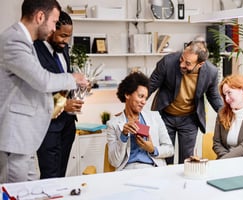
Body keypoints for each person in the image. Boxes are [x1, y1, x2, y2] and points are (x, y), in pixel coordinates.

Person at [0, 0, 88, 183]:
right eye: (54, 22)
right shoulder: (14, 40)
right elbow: (42, 80)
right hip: (15, 135)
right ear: (40, 17)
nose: (54, 27)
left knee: (34, 188)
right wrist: (74, 78)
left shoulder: (26, 41)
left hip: (27, 136)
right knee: (16, 191)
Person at [149, 40, 223, 164]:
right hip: (165, 116)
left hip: (190, 119)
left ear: (200, 64)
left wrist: (226, 114)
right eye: (182, 59)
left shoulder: (211, 72)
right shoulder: (168, 62)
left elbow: (214, 96)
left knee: (187, 160)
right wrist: (131, 107)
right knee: (165, 158)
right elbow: (150, 85)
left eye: (188, 63)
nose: (182, 64)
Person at [34, 11, 83, 179]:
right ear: (52, 29)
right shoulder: (35, 51)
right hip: (48, 127)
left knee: (61, 176)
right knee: (50, 177)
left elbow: (65, 81)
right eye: (63, 35)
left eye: (69, 36)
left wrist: (79, 87)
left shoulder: (64, 48)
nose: (65, 41)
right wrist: (63, 104)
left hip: (68, 125)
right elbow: (36, 91)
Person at [106, 72, 174, 170]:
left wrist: (152, 149)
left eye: (145, 98)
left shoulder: (155, 117)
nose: (144, 102)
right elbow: (114, 161)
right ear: (127, 94)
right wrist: (123, 135)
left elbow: (170, 149)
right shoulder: (113, 124)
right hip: (127, 170)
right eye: (141, 96)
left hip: (152, 168)